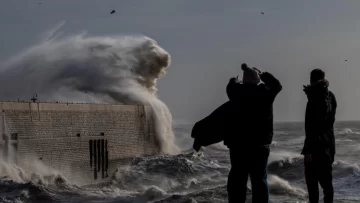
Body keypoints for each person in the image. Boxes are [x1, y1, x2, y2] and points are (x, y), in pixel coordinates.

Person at [225, 63, 282, 203]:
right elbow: (277, 86)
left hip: (238, 146)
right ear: (258, 79)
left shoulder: (236, 93)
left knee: (238, 182)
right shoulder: (265, 93)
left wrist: (235, 79)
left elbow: (230, 86)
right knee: (259, 182)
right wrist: (263, 74)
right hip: (260, 145)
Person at [302, 69, 337, 203]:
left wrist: (308, 149)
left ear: (311, 80)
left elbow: (312, 127)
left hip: (315, 147)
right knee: (327, 185)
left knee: (312, 186)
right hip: (328, 146)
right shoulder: (331, 96)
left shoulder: (314, 99)